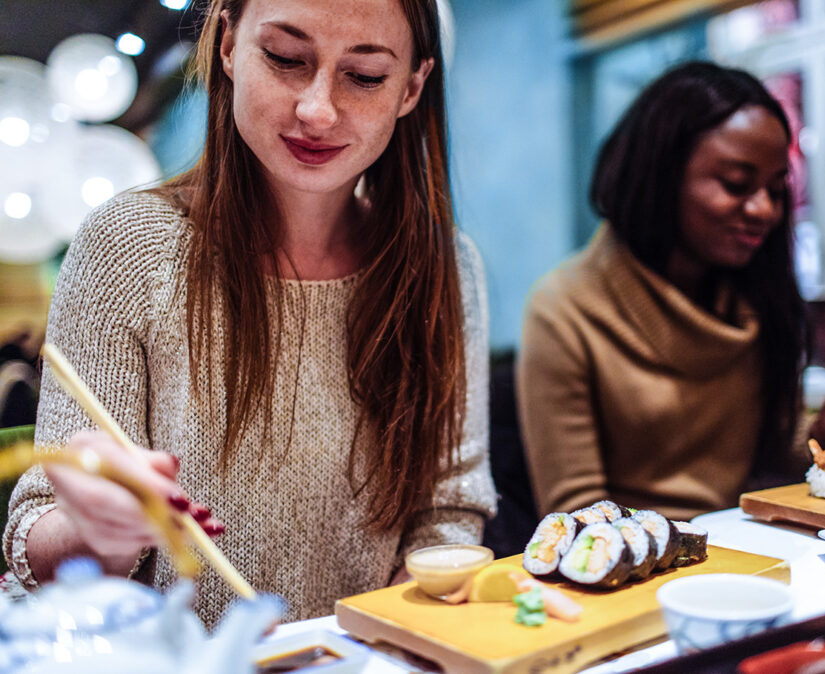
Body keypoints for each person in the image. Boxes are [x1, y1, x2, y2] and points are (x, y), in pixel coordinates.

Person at [3, 0, 496, 625]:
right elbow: (39, 546)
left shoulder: (442, 267)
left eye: (365, 75)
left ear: (412, 87)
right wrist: (101, 531)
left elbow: (448, 516)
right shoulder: (128, 247)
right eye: (287, 58)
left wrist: (385, 643)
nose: (318, 109)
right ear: (229, 46)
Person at [516, 61, 825, 521]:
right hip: (640, 572)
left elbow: (768, 466)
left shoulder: (753, 298)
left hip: (754, 549)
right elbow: (578, 519)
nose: (764, 210)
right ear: (661, 176)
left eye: (777, 190)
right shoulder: (565, 310)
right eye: (736, 185)